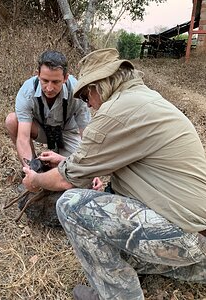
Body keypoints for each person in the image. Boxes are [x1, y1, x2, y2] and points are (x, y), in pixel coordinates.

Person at [22, 48, 206, 300]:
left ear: (99, 86)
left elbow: (67, 179)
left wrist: (35, 180)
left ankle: (118, 295)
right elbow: (117, 159)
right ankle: (189, 266)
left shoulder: (115, 112)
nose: (88, 103)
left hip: (184, 237)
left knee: (70, 205)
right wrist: (66, 160)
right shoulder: (145, 98)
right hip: (197, 230)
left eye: (86, 95)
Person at [5, 50, 91, 169]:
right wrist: (32, 173)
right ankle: (34, 165)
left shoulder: (76, 90)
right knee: (12, 120)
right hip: (42, 130)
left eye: (56, 82)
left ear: (65, 78)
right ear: (38, 75)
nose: (49, 88)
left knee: (73, 170)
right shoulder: (27, 91)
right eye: (45, 81)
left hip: (67, 132)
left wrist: (87, 164)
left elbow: (86, 133)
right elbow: (23, 137)